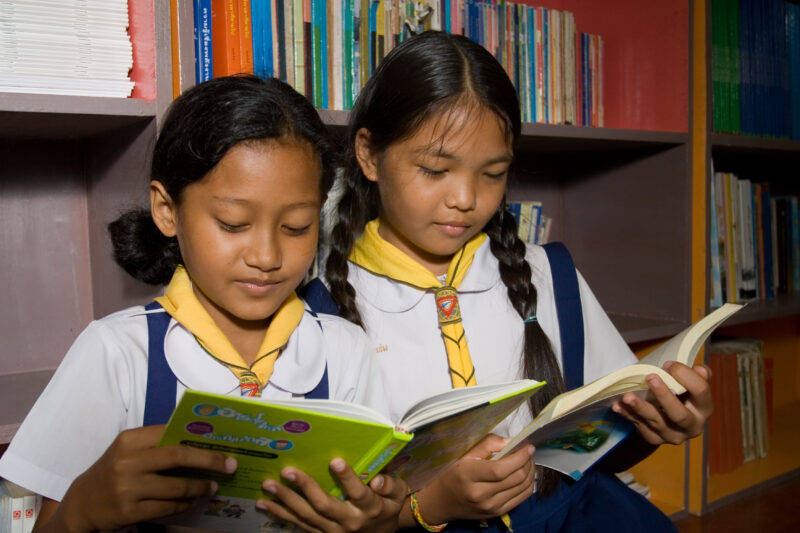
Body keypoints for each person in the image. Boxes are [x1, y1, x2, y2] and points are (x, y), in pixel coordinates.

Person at [294, 31, 712, 532]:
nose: (466, 198)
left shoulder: (549, 276)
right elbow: (331, 514)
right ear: (368, 154)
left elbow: (597, 458)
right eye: (434, 170)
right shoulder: (320, 315)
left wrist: (656, 426)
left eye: (492, 173)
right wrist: (432, 505)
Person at [0, 75, 406, 533]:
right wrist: (83, 507)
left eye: (296, 226)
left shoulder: (346, 352)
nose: (266, 257)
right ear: (167, 210)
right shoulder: (117, 353)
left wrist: (377, 522)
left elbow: (375, 505)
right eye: (233, 224)